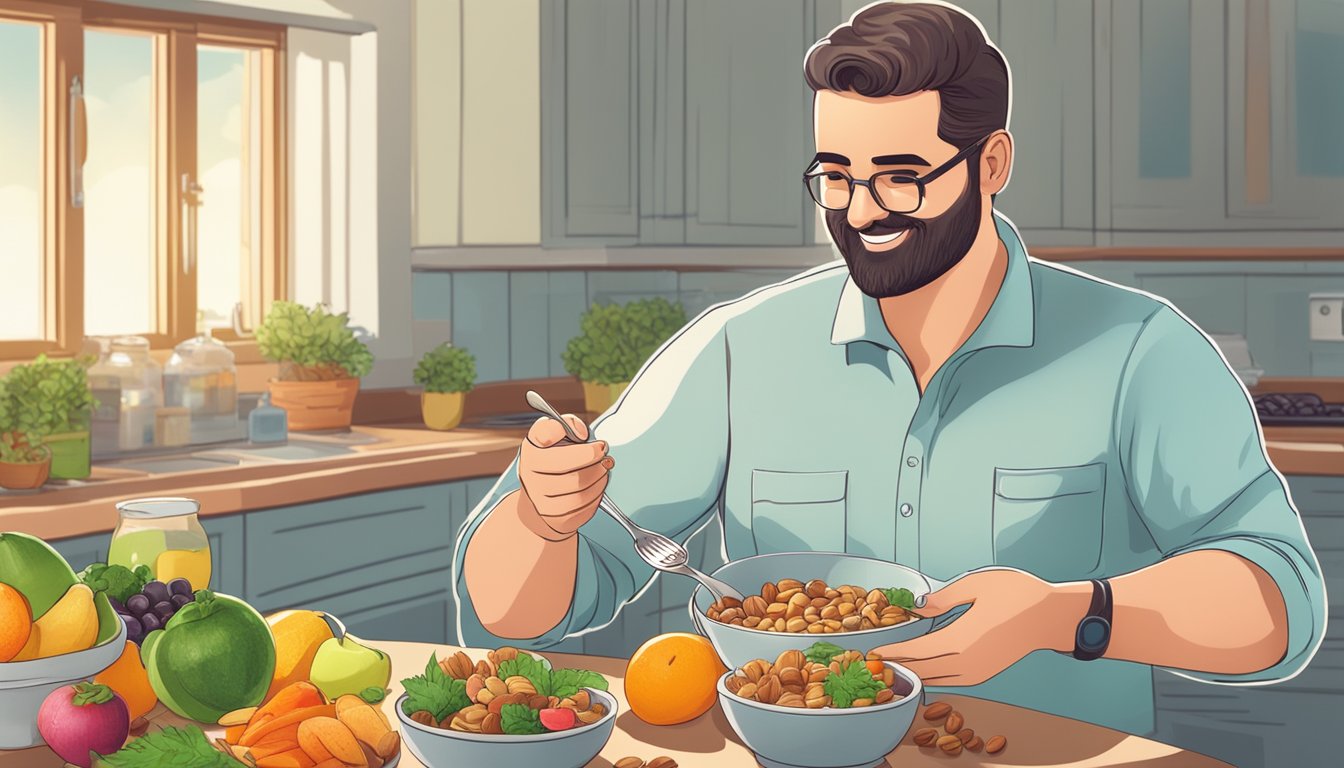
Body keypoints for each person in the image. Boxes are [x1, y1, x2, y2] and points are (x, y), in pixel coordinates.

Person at [453, 0, 1325, 734]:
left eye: (901, 176)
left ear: (992, 163)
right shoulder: (738, 350)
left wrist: (1063, 615)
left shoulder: (1141, 349)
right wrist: (540, 520)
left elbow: (1279, 607)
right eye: (835, 176)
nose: (861, 210)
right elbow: (516, 613)